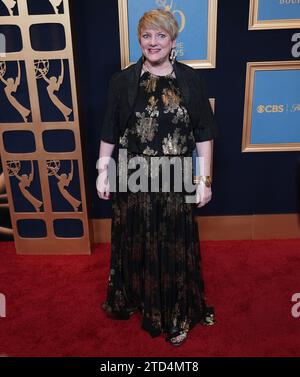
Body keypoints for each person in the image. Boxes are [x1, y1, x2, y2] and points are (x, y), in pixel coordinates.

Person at [97, 9, 218, 346]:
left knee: (173, 248)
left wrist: (203, 179)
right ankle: (137, 299)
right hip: (132, 177)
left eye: (160, 36)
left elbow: (204, 133)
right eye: (147, 36)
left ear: (173, 41)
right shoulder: (122, 81)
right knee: (134, 242)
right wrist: (102, 170)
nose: (153, 42)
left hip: (175, 178)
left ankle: (175, 314)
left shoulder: (191, 80)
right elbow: (110, 128)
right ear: (139, 39)